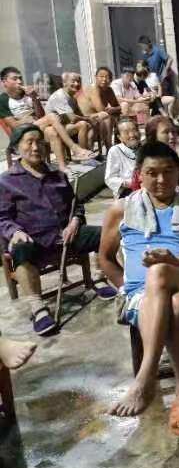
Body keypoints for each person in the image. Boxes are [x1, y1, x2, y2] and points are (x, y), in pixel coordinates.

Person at [100, 141, 179, 436]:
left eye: (168, 171)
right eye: (152, 173)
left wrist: (173, 261)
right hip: (143, 296)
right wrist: (125, 288)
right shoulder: (121, 209)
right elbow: (105, 258)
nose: (161, 179)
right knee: (177, 304)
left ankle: (145, 377)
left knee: (160, 270)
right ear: (139, 174)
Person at [0, 125, 115, 335]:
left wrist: (75, 222)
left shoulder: (57, 175)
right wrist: (14, 231)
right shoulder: (7, 181)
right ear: (16, 148)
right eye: (29, 142)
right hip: (34, 240)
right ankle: (37, 307)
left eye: (39, 142)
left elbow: (76, 205)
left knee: (106, 234)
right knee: (20, 249)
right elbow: (2, 217)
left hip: (66, 235)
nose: (36, 147)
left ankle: (98, 277)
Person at [0, 67, 95, 170]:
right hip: (22, 132)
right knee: (52, 116)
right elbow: (14, 126)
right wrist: (26, 120)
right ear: (5, 82)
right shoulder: (3, 99)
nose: (19, 81)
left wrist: (35, 98)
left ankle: (63, 167)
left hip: (38, 127)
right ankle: (75, 148)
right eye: (15, 79)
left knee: (52, 131)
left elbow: (40, 115)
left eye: (20, 78)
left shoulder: (28, 95)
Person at [44, 72, 98, 152]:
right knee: (82, 124)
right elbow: (73, 118)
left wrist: (91, 119)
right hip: (53, 129)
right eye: (73, 81)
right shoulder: (60, 96)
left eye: (78, 81)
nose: (76, 84)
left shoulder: (72, 97)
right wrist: (88, 119)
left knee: (92, 123)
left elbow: (80, 114)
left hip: (65, 125)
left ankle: (90, 151)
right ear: (64, 83)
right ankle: (83, 153)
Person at [88, 67, 123, 149]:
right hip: (87, 117)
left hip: (99, 117)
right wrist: (114, 110)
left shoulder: (109, 90)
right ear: (96, 77)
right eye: (101, 76)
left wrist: (114, 109)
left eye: (107, 77)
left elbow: (118, 107)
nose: (104, 79)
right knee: (107, 118)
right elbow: (101, 110)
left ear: (111, 79)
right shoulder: (94, 89)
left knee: (117, 115)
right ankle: (109, 147)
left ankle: (119, 141)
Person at [105, 118, 140, 198]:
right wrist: (131, 184)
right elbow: (110, 178)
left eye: (134, 130)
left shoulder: (146, 148)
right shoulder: (115, 150)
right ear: (119, 137)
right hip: (127, 192)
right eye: (126, 132)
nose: (132, 135)